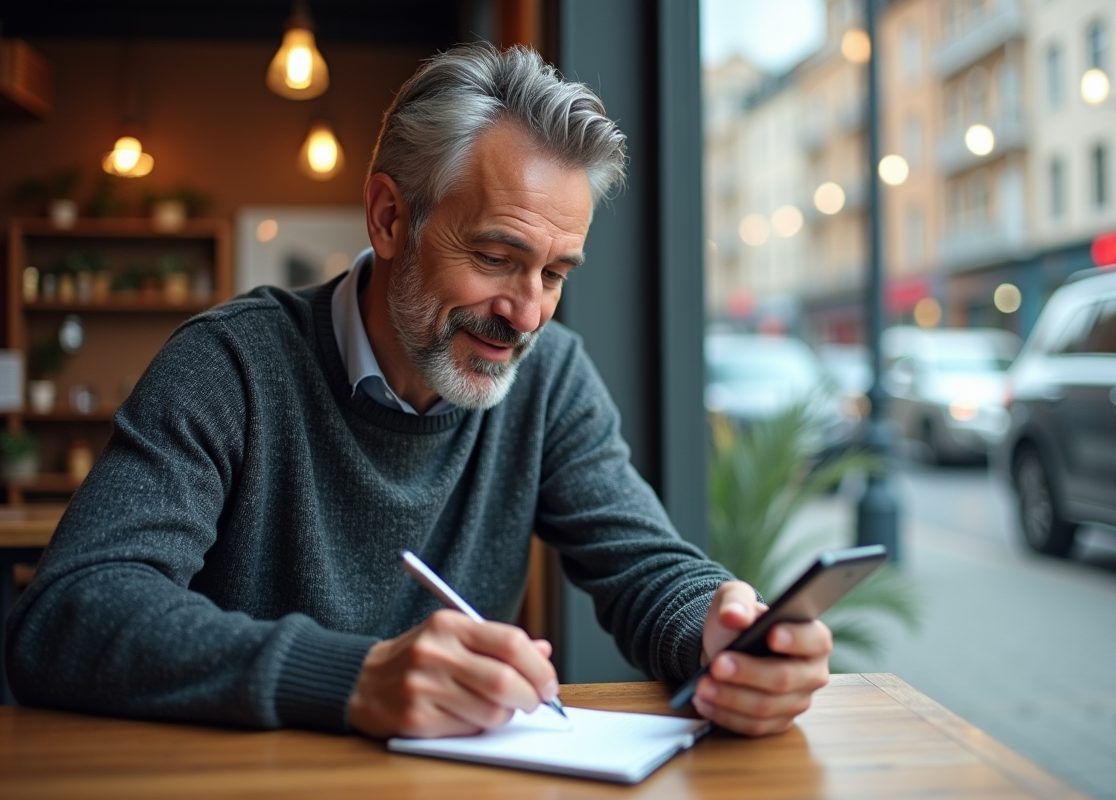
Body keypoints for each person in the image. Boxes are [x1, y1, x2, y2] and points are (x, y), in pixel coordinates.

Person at [5, 43, 830, 739]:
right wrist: (351, 678)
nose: (527, 314)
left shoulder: (549, 376)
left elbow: (645, 565)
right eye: (497, 258)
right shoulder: (230, 365)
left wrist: (719, 633)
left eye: (554, 274)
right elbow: (70, 613)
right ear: (390, 219)